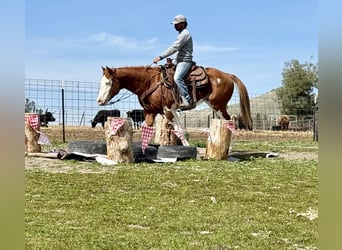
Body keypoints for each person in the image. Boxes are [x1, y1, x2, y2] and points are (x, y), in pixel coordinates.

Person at [153, 14, 194, 110]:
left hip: (185, 61)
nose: (174, 26)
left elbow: (174, 48)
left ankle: (187, 100)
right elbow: (180, 51)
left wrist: (161, 57)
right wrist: (173, 61)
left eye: (177, 24)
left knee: (177, 78)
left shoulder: (185, 34)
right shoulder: (181, 34)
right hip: (179, 60)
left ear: (183, 24)